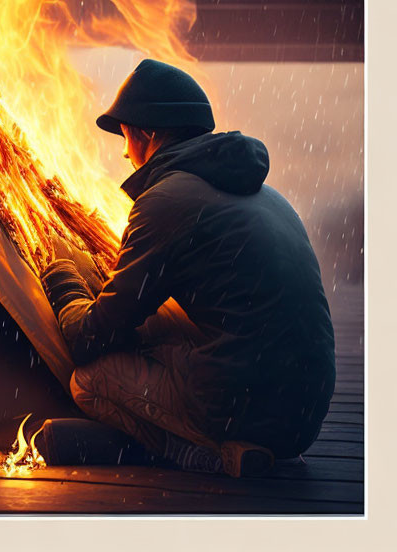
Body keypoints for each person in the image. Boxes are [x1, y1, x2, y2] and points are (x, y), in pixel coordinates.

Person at [39, 59, 336, 477]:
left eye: (126, 135)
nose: (124, 151)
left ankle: (205, 454)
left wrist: (62, 277)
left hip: (245, 407)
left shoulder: (167, 200)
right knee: (154, 328)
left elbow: (91, 339)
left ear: (149, 133)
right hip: (306, 413)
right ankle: (244, 442)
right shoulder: (269, 196)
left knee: (88, 380)